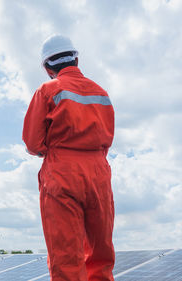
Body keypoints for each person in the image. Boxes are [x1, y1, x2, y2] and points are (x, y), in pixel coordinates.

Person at [23, 34, 115, 281]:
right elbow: (108, 136)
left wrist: (47, 149)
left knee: (66, 257)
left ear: (47, 67)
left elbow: (32, 142)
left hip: (62, 172)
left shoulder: (47, 90)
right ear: (76, 58)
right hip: (99, 172)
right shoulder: (102, 92)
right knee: (101, 253)